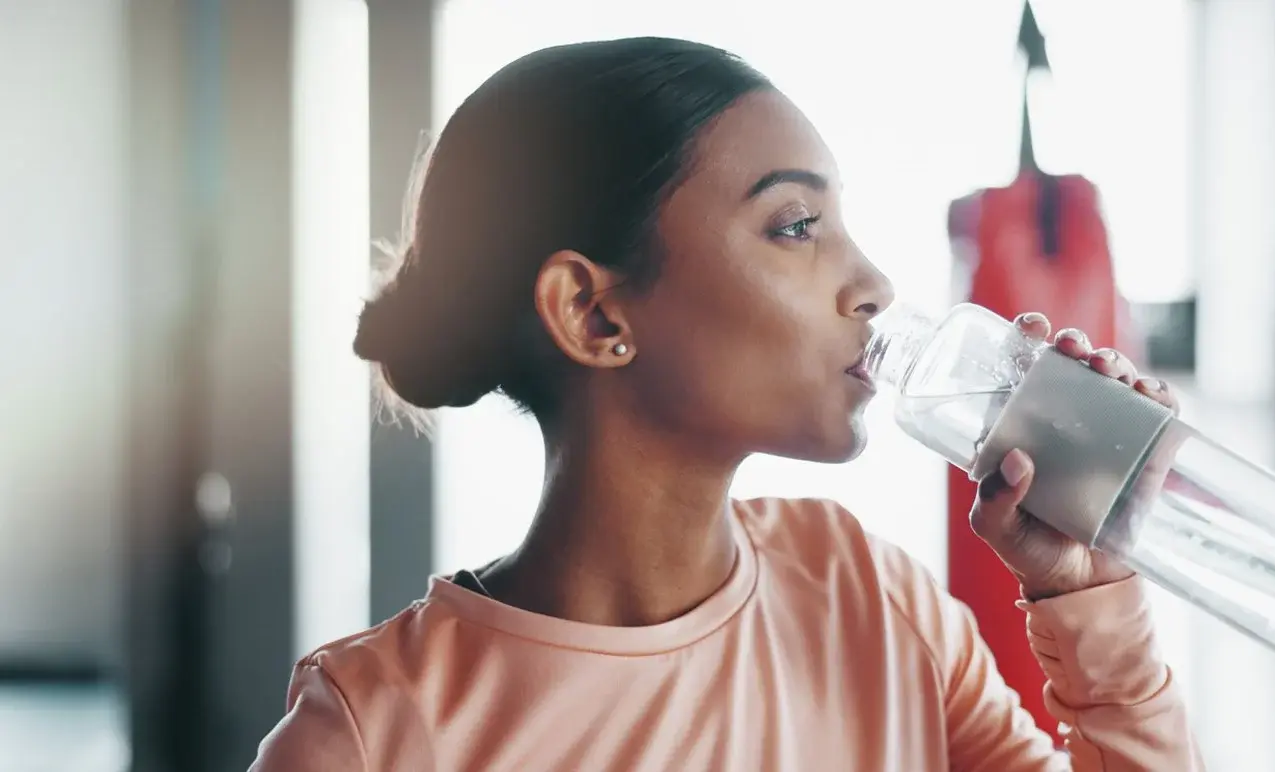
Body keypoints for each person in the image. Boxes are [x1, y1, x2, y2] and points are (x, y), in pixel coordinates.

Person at [251, 37, 1202, 771]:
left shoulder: (869, 601)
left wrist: (1083, 595)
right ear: (590, 311)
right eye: (796, 226)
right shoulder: (376, 732)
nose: (872, 282)